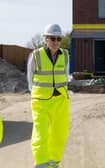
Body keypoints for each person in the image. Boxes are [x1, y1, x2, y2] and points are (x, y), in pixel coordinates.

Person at [27, 24, 70, 168]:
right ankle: (41, 163)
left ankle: (54, 163)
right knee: (41, 133)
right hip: (41, 102)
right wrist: (35, 95)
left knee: (59, 133)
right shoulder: (36, 55)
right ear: (45, 39)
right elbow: (30, 78)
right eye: (52, 38)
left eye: (58, 39)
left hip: (60, 100)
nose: (56, 42)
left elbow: (65, 75)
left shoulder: (65, 54)